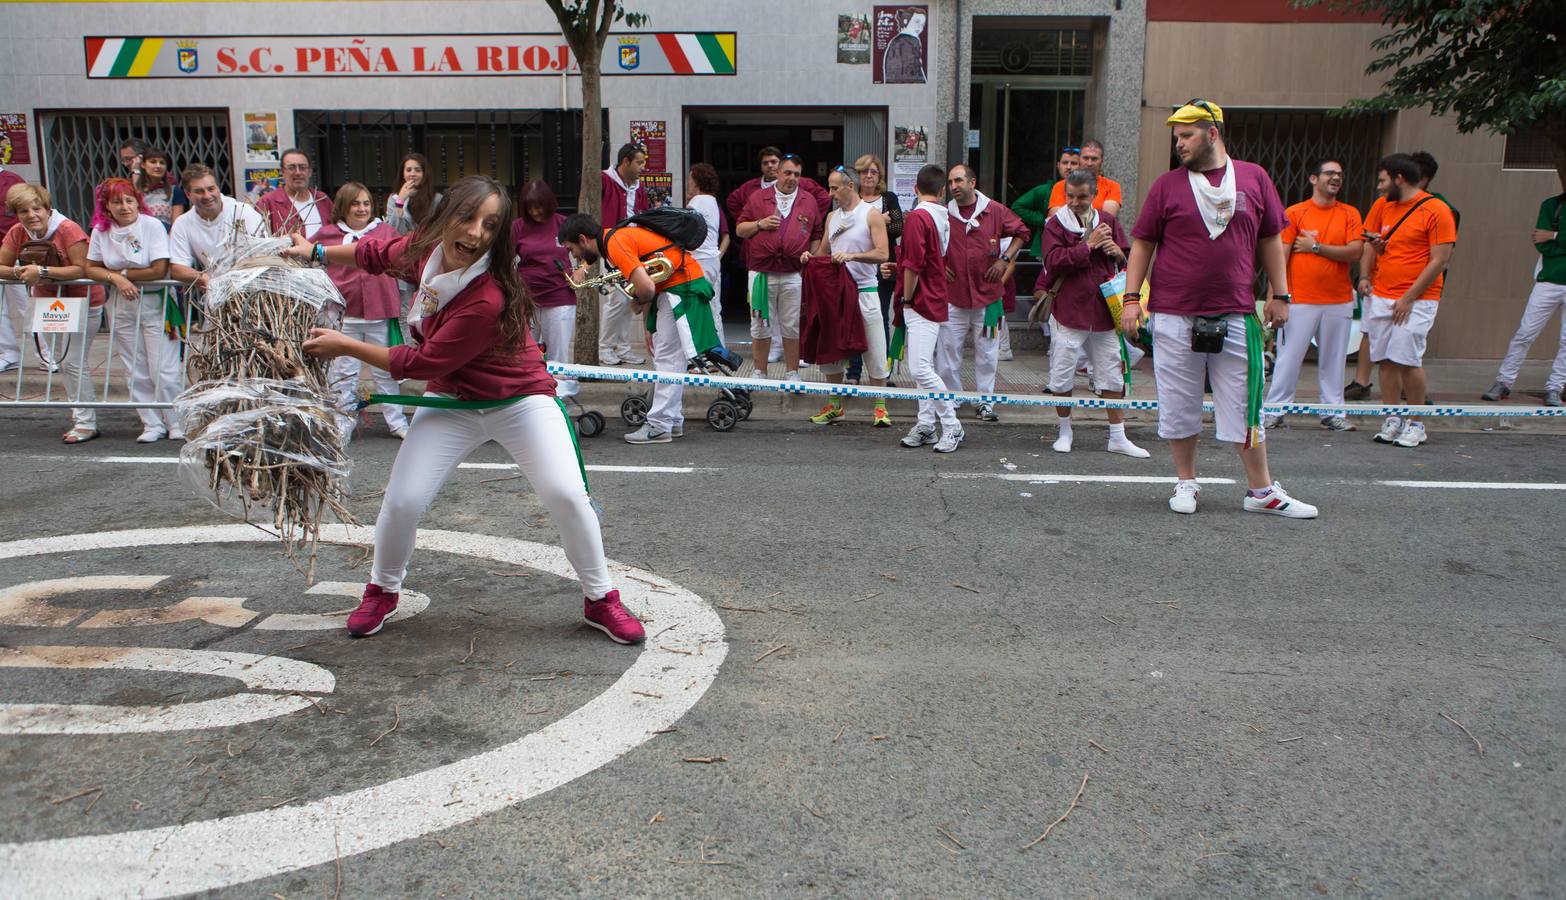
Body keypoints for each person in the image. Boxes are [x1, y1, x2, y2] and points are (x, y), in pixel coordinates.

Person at [286, 175, 643, 644]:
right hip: (453, 400)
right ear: (445, 217)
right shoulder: (423, 249)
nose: (475, 233)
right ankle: (382, 590)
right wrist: (314, 252)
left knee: (566, 495)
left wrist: (345, 346)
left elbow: (421, 361)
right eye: (467, 217)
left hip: (519, 400)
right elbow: (375, 255)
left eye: (489, 225)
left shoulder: (487, 295)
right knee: (403, 500)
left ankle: (601, 600)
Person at [1122, 99, 1317, 518]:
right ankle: (1186, 482)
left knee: (1245, 402)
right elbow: (1143, 243)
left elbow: (1270, 239)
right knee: (1178, 401)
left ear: (1213, 133)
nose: (1180, 143)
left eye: (1187, 135)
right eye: (1176, 136)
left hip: (1236, 312)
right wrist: (1132, 299)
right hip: (1174, 312)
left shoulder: (1254, 178)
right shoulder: (1167, 185)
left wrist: (1280, 295)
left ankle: (1261, 491)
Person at [559, 210, 718, 445]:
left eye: (572, 249)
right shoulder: (614, 239)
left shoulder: (615, 244)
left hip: (681, 290)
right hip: (680, 288)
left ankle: (659, 426)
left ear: (583, 240)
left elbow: (646, 288)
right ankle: (671, 421)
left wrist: (637, 301)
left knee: (667, 359)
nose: (574, 255)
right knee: (670, 359)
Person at [1042, 169, 1148, 458]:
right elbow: (1052, 262)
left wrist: (1116, 251)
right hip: (1069, 310)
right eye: (1071, 196)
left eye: (1083, 197)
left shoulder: (1108, 221)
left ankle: (1118, 436)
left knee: (1112, 373)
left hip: (1103, 311)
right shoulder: (1055, 225)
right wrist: (1087, 246)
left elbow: (1129, 259)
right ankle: (1065, 431)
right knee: (1062, 374)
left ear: (1094, 195)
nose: (1076, 202)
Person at [1358, 153, 1458, 448]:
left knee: (1407, 358)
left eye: (1382, 180)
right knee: (1385, 359)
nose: (1378, 187)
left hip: (1418, 299)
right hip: (1382, 294)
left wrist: (1408, 297)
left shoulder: (1437, 210)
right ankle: (1392, 417)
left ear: (1399, 179)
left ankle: (1416, 422)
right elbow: (1370, 243)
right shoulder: (1382, 206)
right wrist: (1364, 276)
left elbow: (1440, 260)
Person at [1263, 159, 1364, 431]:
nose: (1336, 178)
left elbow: (1356, 252)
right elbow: (1280, 255)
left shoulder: (1349, 214)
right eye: (1330, 173)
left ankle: (1332, 413)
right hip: (1299, 299)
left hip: (1339, 300)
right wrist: (1275, 296)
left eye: (1340, 175)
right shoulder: (1295, 213)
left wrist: (1316, 247)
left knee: (1334, 361)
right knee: (1288, 358)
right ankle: (1275, 410)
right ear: (1313, 179)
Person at [0, 183, 105, 440]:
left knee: (72, 361)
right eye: (23, 211)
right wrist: (19, 272)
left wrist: (43, 272)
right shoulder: (17, 232)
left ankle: (85, 423)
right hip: (47, 303)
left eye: (37, 209)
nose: (31, 215)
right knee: (62, 360)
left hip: (83, 301)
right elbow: (1, 265)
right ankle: (81, 417)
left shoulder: (68, 229)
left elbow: (83, 268)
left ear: (48, 209)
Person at [82, 178, 180, 443]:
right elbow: (91, 267)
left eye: (129, 200)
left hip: (155, 302)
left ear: (138, 201)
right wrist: (117, 279)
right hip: (121, 303)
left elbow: (158, 269)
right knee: (135, 367)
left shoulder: (151, 226)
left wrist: (121, 273)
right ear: (107, 207)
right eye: (117, 202)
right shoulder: (101, 231)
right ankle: (151, 423)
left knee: (163, 367)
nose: (124, 207)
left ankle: (176, 420)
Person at [315, 182, 408, 442]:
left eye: (366, 203)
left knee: (385, 370)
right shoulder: (328, 234)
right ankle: (342, 421)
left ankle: (397, 421)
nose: (362, 208)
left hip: (380, 312)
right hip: (345, 315)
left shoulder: (385, 231)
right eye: (355, 203)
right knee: (343, 372)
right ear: (343, 206)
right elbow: (308, 258)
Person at [803, 165, 891, 426]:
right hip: (835, 295)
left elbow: (882, 253)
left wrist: (852, 256)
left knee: (875, 349)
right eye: (829, 187)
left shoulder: (871, 214)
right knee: (832, 349)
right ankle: (835, 405)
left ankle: (880, 407)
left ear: (850, 186)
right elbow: (823, 252)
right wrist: (810, 257)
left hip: (865, 291)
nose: (830, 193)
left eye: (834, 187)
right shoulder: (832, 217)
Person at [939, 163, 1028, 422]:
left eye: (958, 181)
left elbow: (1022, 232)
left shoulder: (995, 210)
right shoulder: (944, 213)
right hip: (953, 296)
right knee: (948, 352)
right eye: (951, 182)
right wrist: (940, 265)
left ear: (972, 182)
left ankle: (985, 402)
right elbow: (930, 241)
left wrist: (1005, 259)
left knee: (988, 352)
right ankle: (951, 399)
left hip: (988, 297)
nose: (954, 186)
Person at [892, 164, 964, 452]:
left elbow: (913, 265)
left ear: (915, 189)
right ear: (942, 190)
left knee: (920, 368)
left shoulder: (917, 218)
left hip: (920, 299)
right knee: (925, 365)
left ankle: (951, 425)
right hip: (934, 295)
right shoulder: (943, 216)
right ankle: (926, 424)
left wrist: (907, 299)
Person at [737, 154, 821, 381]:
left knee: (792, 324)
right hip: (761, 272)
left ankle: (792, 373)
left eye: (797, 174)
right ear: (778, 173)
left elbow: (817, 234)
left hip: (793, 272)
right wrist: (759, 224)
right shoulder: (758, 198)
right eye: (788, 173)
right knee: (760, 323)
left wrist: (810, 255)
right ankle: (759, 371)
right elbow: (739, 230)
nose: (792, 178)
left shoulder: (808, 200)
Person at [1484, 191, 1566, 407]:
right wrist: (1551, 240)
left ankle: (1555, 387)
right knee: (1525, 333)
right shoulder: (1552, 205)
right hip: (1548, 280)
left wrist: (1556, 236)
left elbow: (1548, 239)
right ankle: (1504, 381)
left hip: (1551, 275)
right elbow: (1541, 242)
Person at [510, 179, 577, 398]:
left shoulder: (563, 224)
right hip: (526, 300)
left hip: (559, 298)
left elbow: (588, 251)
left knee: (558, 355)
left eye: (539, 206)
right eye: (530, 207)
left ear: (549, 203)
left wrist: (582, 270)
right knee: (527, 352)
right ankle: (531, 398)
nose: (535, 212)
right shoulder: (518, 227)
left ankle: (560, 402)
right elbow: (505, 259)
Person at [844, 153, 902, 385]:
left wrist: (870, 222)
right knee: (853, 320)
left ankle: (882, 374)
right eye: (864, 171)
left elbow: (898, 227)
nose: (869, 175)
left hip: (883, 270)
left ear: (879, 176)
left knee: (878, 319)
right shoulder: (852, 198)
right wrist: (879, 221)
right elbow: (845, 228)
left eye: (873, 171)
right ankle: (854, 373)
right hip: (853, 269)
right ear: (857, 175)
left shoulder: (888, 197)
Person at [168, 164, 266, 291]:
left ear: (218, 188)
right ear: (188, 194)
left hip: (254, 288)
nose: (207, 196)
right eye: (199, 191)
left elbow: (263, 253)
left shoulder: (242, 211)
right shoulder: (182, 223)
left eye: (211, 189)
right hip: (217, 292)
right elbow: (177, 268)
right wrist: (202, 277)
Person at [596, 143, 649, 367]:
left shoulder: (639, 188)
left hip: (633, 250)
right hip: (611, 248)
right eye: (639, 162)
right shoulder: (603, 180)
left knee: (628, 297)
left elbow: (644, 218)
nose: (642, 167)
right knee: (616, 299)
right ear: (625, 162)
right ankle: (605, 348)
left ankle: (623, 348)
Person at [686, 163, 731, 349]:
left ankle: (701, 353)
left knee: (696, 308)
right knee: (714, 308)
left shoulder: (696, 202)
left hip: (698, 261)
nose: (688, 183)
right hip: (712, 260)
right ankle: (718, 350)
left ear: (697, 181)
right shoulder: (713, 201)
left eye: (690, 179)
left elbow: (687, 232)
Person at [1014, 146, 1079, 262]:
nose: (1069, 167)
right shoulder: (1044, 190)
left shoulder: (1087, 191)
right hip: (1048, 248)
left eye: (1074, 163)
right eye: (1065, 163)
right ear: (1058, 165)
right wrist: (1043, 220)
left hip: (1078, 247)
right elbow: (1017, 207)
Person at [256, 148, 332, 239]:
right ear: (282, 172)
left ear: (310, 171)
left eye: (302, 167)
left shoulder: (322, 200)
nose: (298, 172)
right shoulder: (267, 203)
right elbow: (258, 243)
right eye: (291, 168)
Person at [0, 163, 28, 375]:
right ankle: (9, 354)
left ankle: (46, 354)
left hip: (14, 253)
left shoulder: (11, 180)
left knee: (25, 306)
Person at [1048, 140, 1123, 217]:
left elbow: (1107, 218)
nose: (1089, 163)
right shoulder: (1060, 186)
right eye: (1085, 158)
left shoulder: (1112, 186)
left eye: (1094, 159)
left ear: (1102, 161)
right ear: (1079, 159)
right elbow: (1057, 218)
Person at [385, 152, 441, 235]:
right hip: (401, 246)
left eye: (417, 170)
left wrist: (413, 234)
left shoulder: (436, 198)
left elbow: (440, 229)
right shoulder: (394, 198)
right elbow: (391, 232)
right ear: (403, 174)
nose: (412, 174)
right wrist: (400, 200)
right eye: (408, 170)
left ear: (424, 174)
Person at [135, 147, 187, 228]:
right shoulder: (134, 191)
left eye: (162, 163)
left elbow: (176, 227)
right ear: (143, 165)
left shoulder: (175, 192)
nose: (158, 166)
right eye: (153, 162)